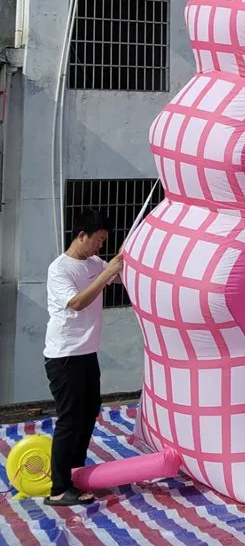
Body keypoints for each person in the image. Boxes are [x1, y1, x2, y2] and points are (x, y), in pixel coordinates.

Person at [43, 208, 123, 506]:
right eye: (98, 240)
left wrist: (123, 261)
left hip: (87, 354)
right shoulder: (60, 268)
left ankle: (75, 474)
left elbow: (117, 275)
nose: (100, 246)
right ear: (81, 236)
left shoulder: (94, 262)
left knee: (89, 412)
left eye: (104, 241)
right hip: (65, 356)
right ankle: (59, 488)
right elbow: (77, 302)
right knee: (69, 419)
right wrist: (107, 271)